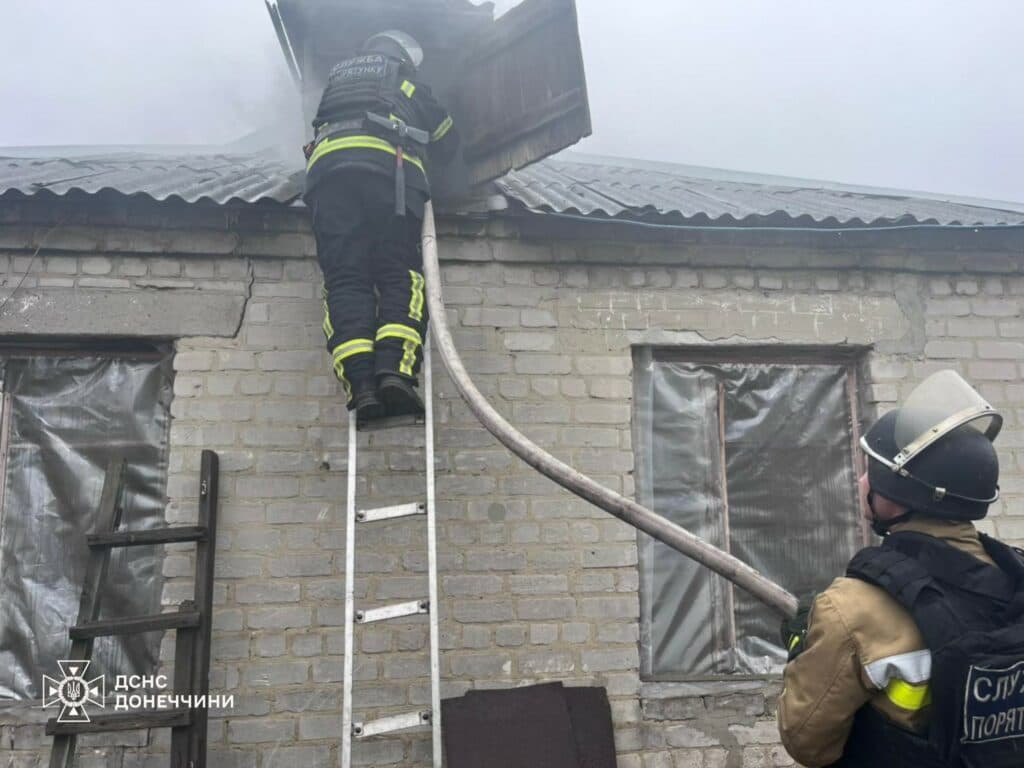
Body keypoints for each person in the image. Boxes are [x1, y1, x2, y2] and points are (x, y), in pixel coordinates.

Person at [777, 370, 1024, 767]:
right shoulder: (1015, 575)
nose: (861, 481)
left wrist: (802, 654)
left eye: (870, 472)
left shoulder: (853, 608)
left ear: (896, 496)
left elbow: (807, 742)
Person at [304, 30, 459, 425]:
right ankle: (395, 373)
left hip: (326, 177)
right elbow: (444, 135)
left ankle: (362, 386)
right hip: (386, 176)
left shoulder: (338, 78)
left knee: (345, 279)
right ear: (405, 56)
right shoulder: (402, 76)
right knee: (398, 272)